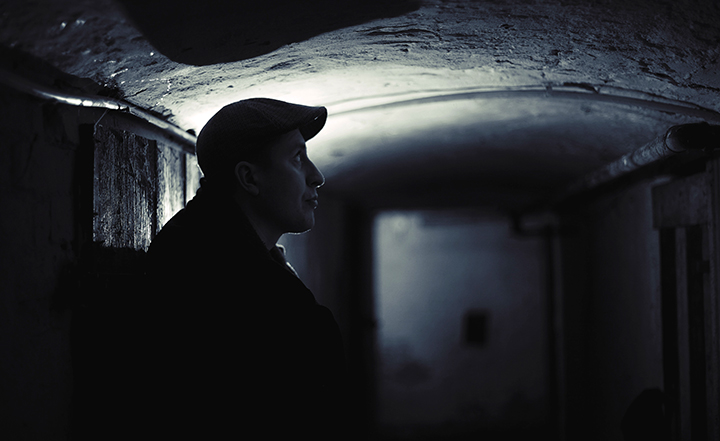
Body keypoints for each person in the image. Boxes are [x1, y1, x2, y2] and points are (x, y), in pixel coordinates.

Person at [140, 98, 346, 439]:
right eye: (297, 158)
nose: (317, 176)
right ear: (249, 177)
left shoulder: (205, 242)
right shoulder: (226, 273)